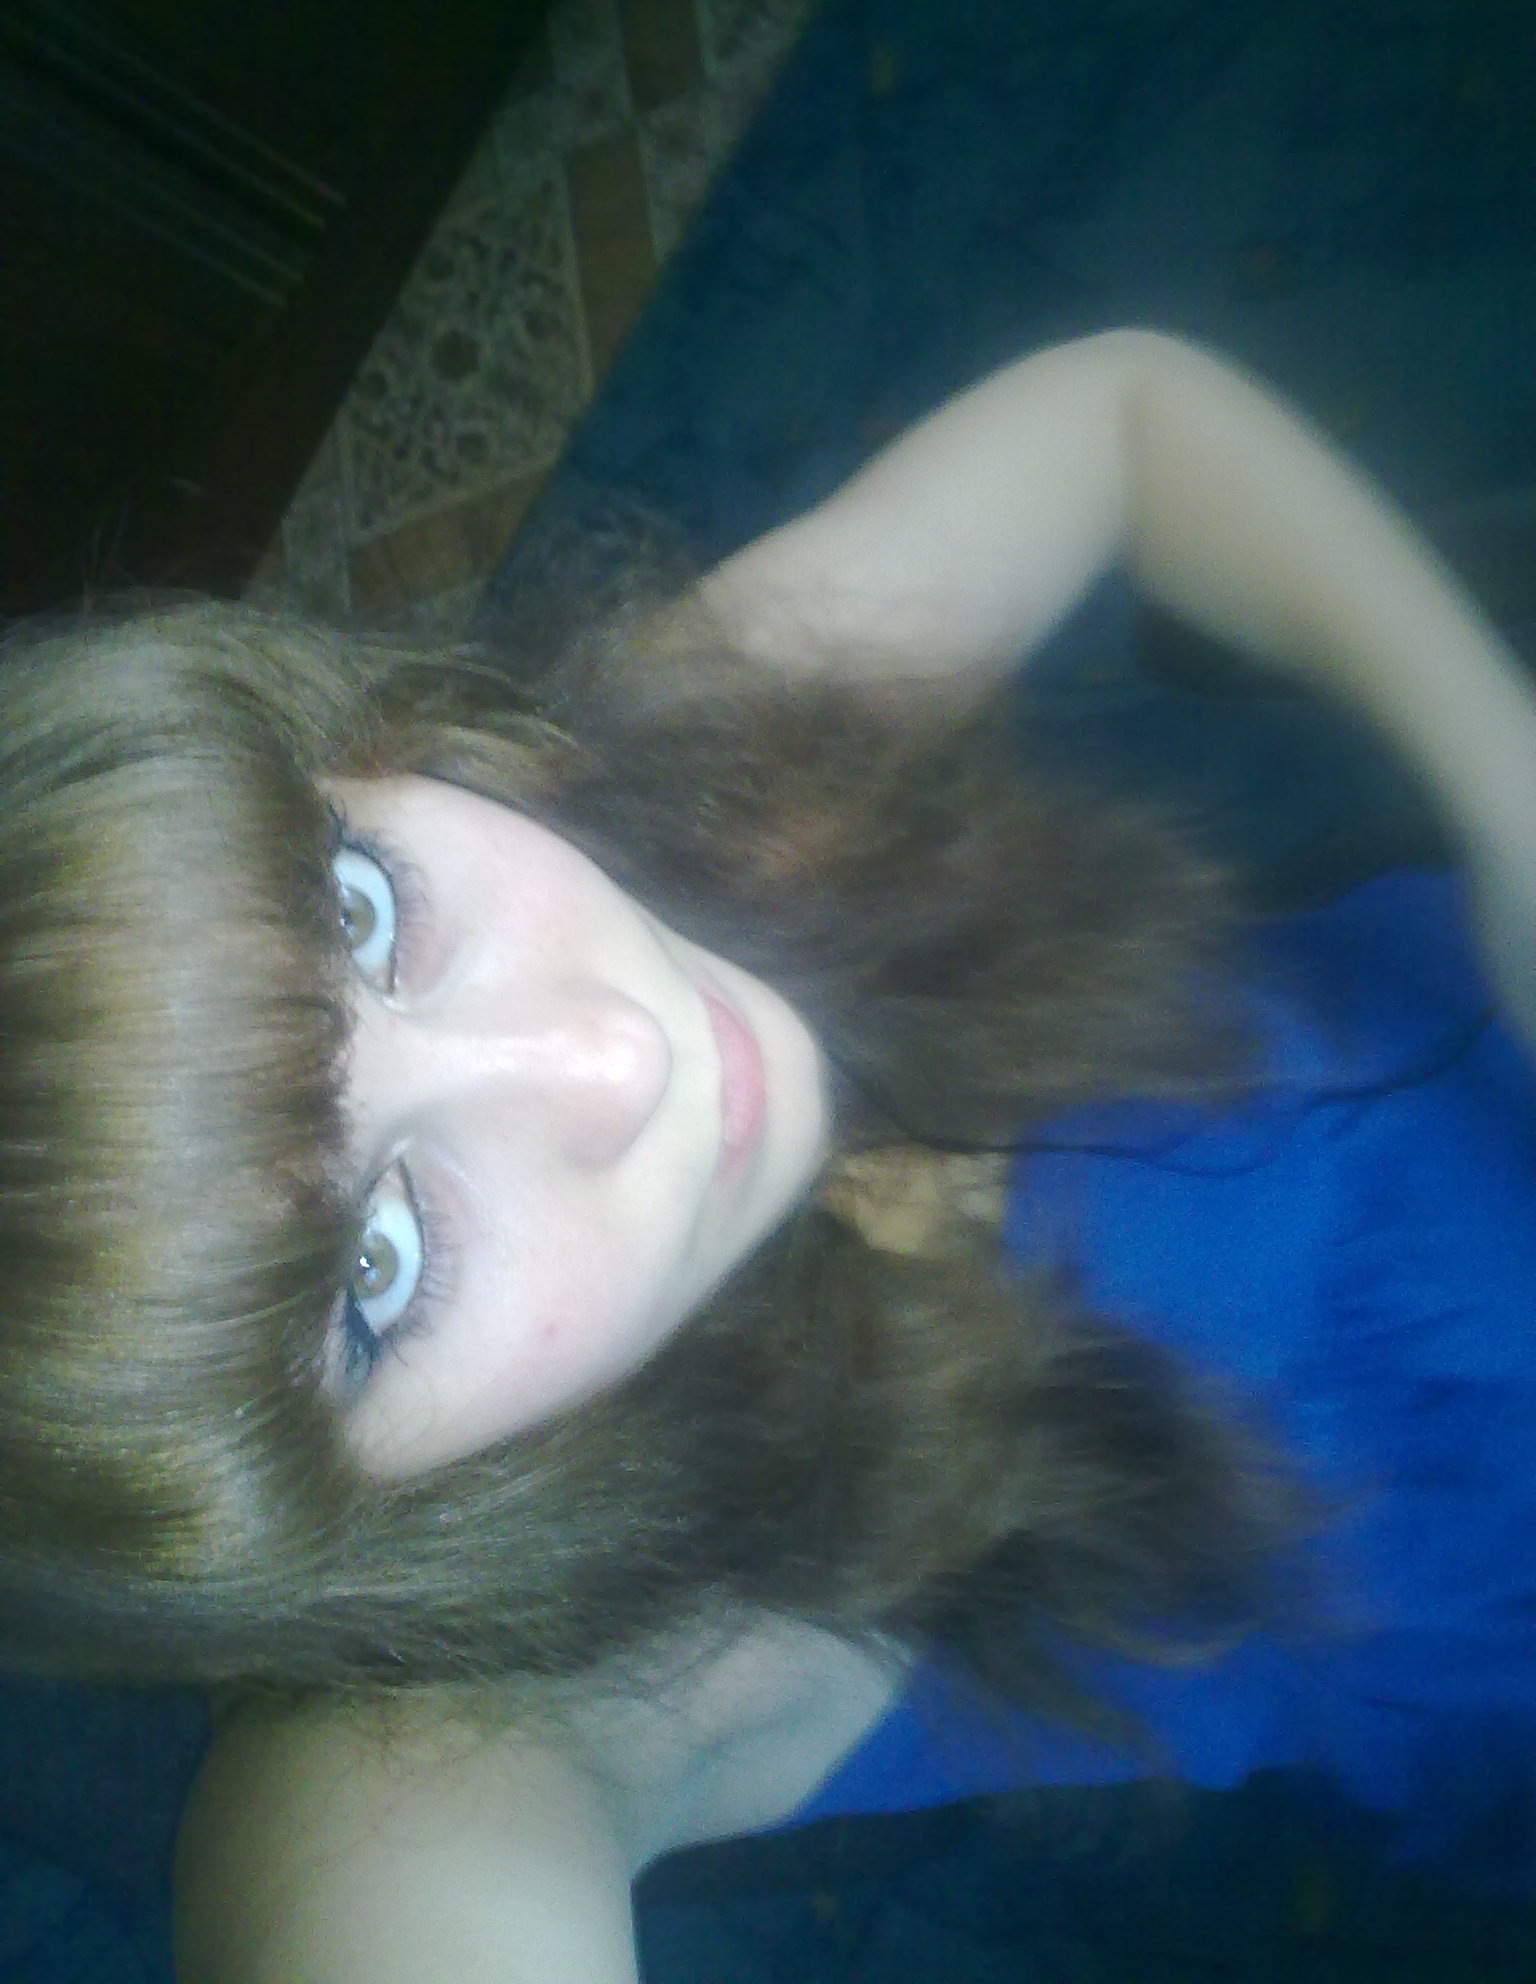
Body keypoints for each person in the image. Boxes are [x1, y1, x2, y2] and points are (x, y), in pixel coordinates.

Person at [1, 332, 1533, 1981]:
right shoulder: (488, 1729)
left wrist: (1511, 798)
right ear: (323, 1528)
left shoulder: (644, 752)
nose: (612, 1053)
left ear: (343, 758)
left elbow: (1127, 411)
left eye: (363, 911)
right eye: (381, 1264)